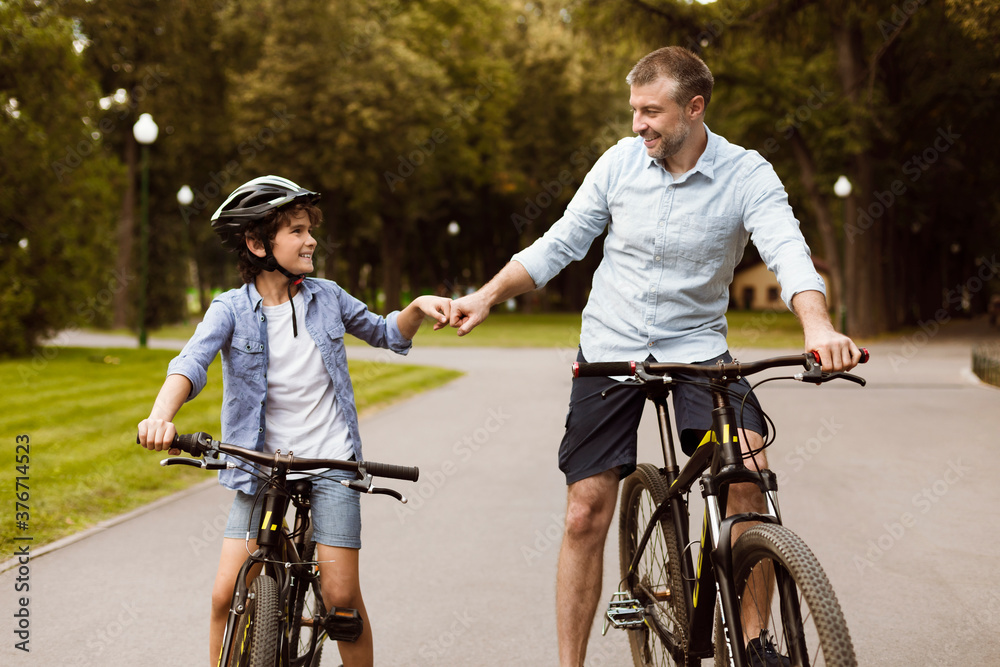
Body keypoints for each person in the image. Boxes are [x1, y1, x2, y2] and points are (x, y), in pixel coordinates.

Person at [448, 47, 862, 667]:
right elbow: (559, 243)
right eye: (633, 110)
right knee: (586, 508)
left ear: (694, 109)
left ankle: (751, 646)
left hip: (698, 348)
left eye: (651, 111)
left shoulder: (747, 174)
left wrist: (819, 325)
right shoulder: (619, 164)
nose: (638, 123)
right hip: (612, 346)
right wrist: (485, 295)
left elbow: (788, 251)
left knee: (748, 477)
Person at [137, 175, 451, 667]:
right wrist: (161, 416)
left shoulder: (327, 296)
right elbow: (190, 363)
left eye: (310, 230)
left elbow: (387, 332)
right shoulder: (231, 309)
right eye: (298, 231)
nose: (311, 240)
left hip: (330, 463)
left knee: (341, 601)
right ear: (258, 243)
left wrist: (414, 308)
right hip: (262, 465)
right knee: (224, 594)